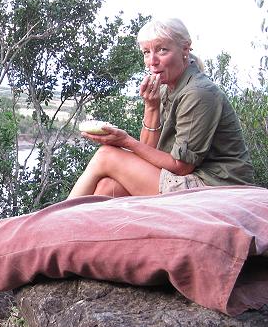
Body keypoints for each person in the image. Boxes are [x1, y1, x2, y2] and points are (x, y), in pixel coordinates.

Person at [68, 18, 254, 198]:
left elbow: (181, 166)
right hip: (189, 178)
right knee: (107, 187)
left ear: (185, 49)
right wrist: (151, 107)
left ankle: (57, 221)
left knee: (106, 155)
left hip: (216, 185)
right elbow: (148, 150)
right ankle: (71, 228)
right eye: (146, 52)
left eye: (162, 50)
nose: (152, 61)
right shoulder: (166, 87)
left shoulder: (197, 93)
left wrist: (125, 141)